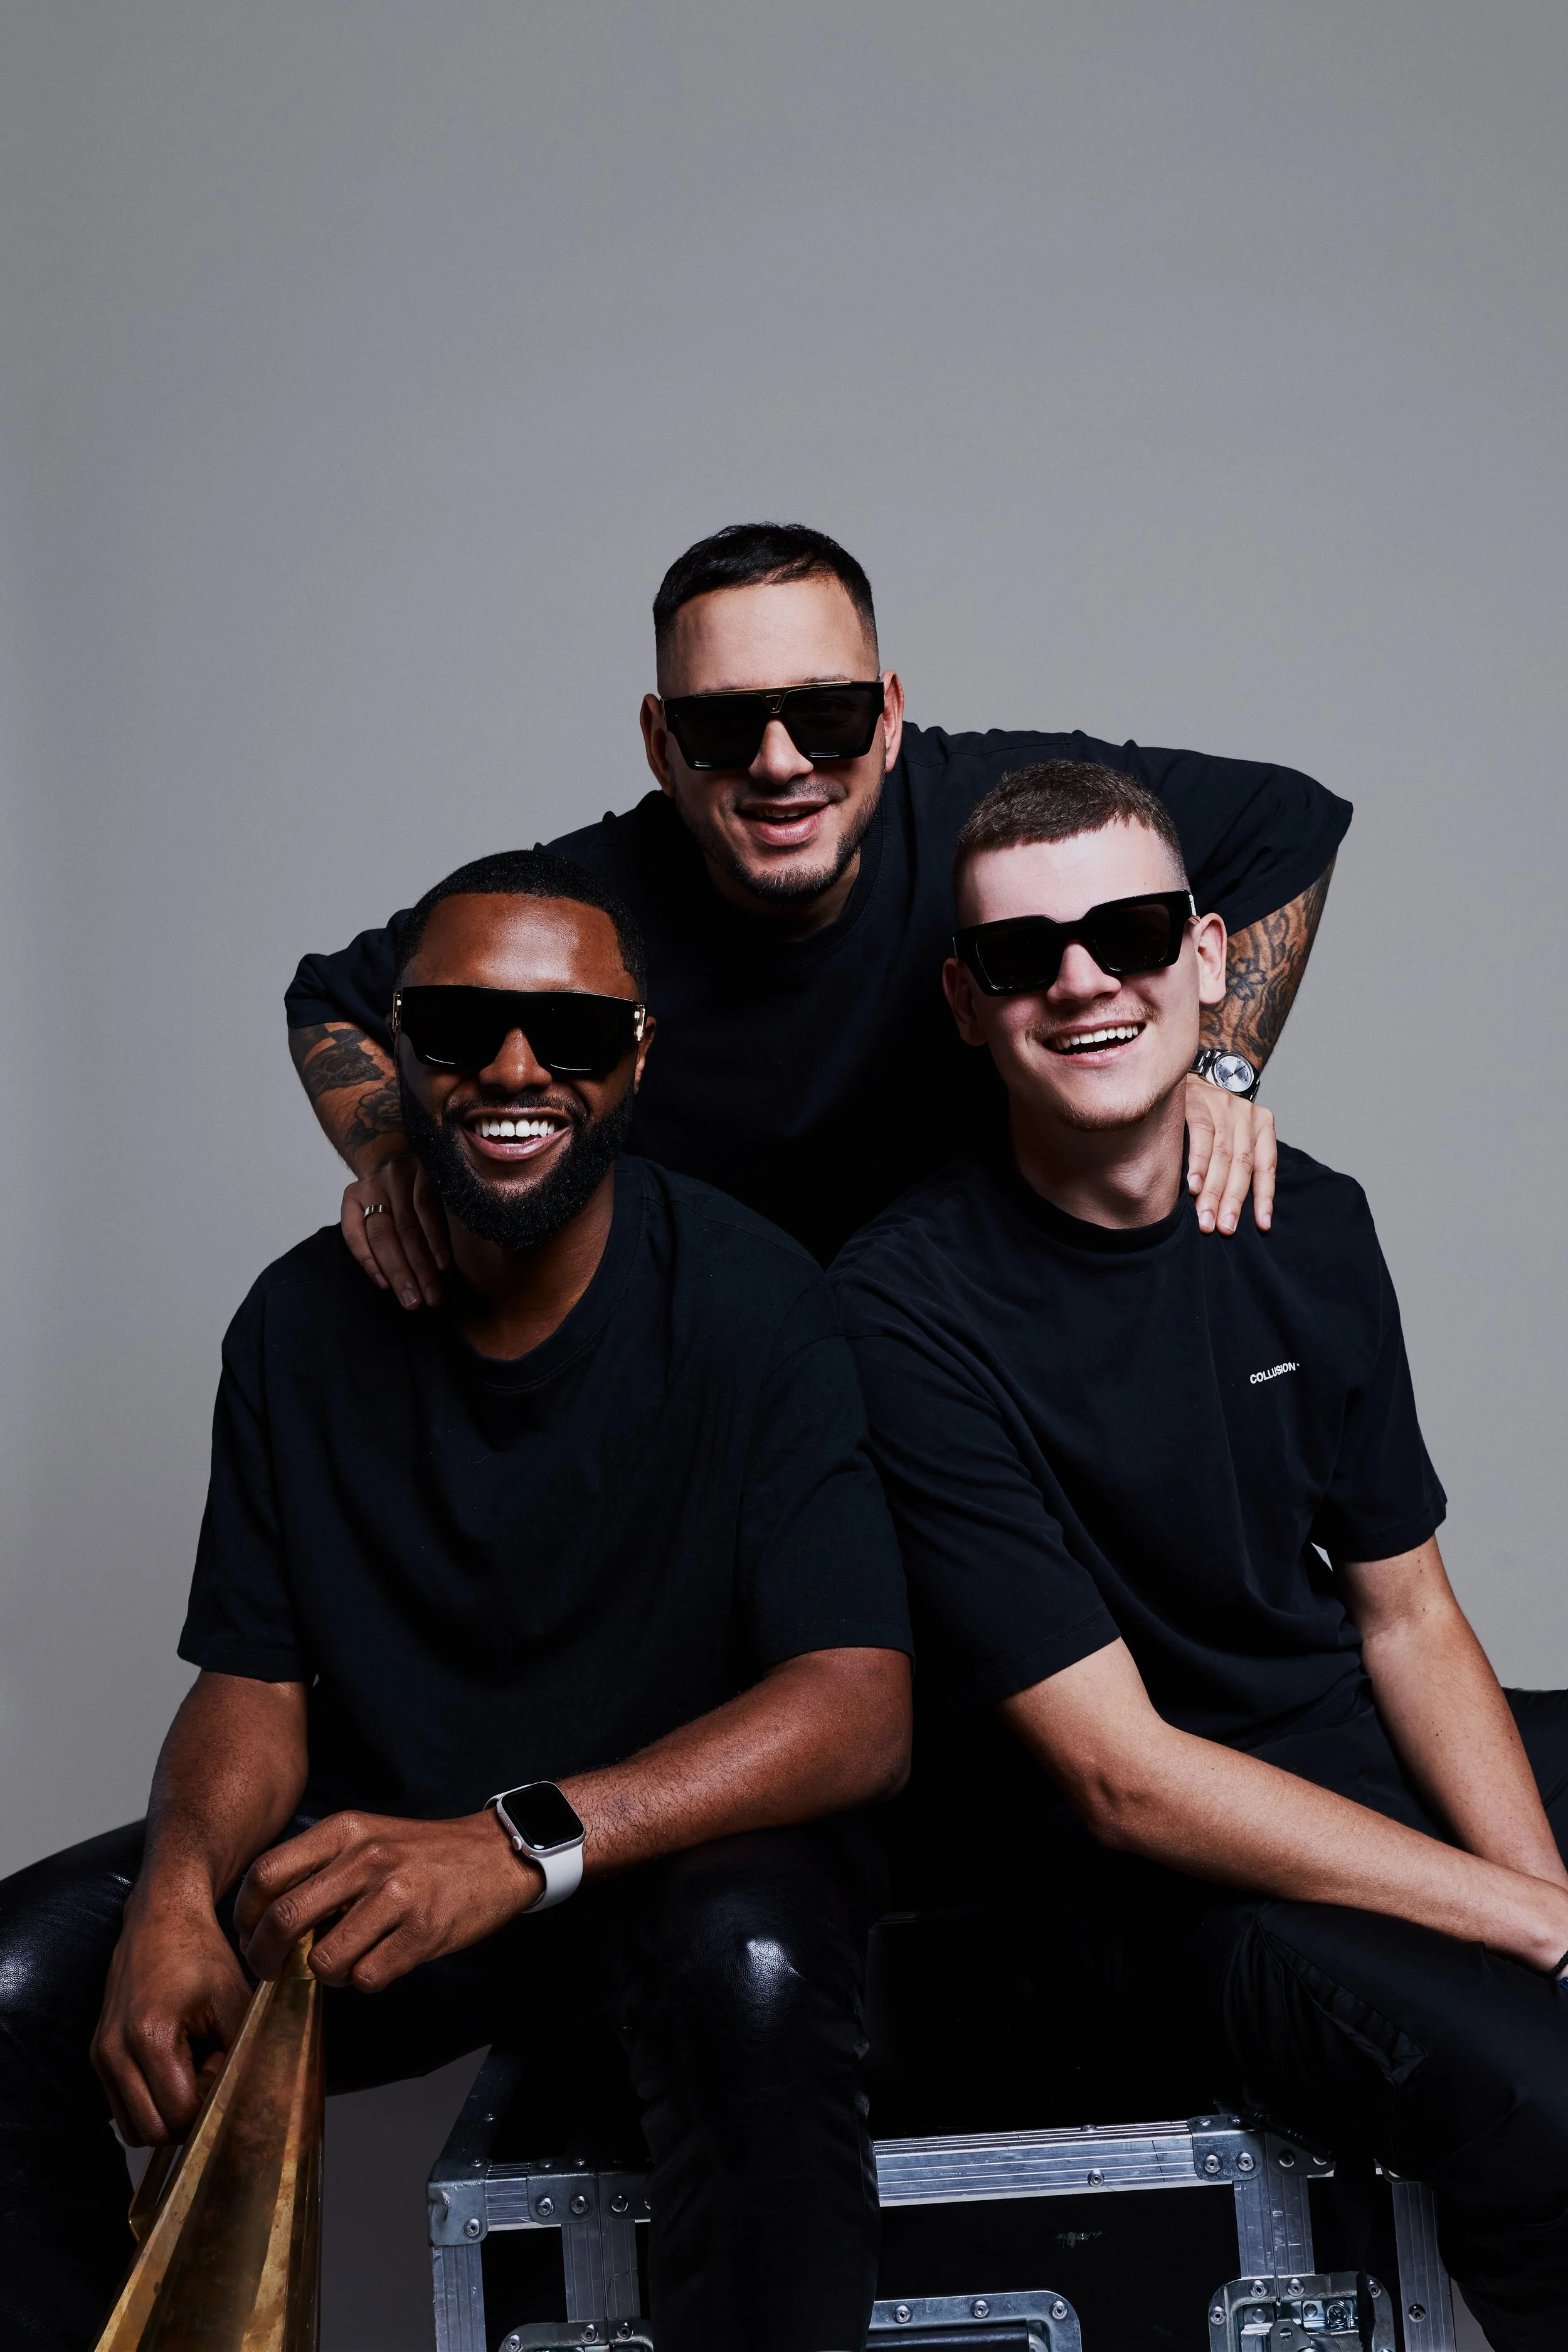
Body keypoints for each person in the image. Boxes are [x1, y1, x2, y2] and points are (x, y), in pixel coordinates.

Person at [0, 850, 914, 2352]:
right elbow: (255, 1678)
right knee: (21, 1980)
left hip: (660, 1869)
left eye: (565, 1033)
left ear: (634, 1060)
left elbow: (857, 1707)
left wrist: (518, 1841)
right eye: (461, 1027)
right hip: (391, 1874)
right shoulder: (298, 1322)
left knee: (748, 1972)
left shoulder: (756, 1301)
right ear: (407, 1055)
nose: (511, 1068)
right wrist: (173, 1899)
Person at [832, 761, 1568, 2351]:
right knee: (1541, 2105)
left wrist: (1531, 1889)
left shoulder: (1313, 1221)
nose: (1083, 980)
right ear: (966, 1005)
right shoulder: (900, 1307)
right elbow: (1120, 1779)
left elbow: (1409, 1619)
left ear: (1208, 954)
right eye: (1024, 958)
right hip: (1133, 1894)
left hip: (1332, 1751)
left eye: (1132, 931)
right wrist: (1519, 1930)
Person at [285, 521, 1350, 1284]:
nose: (780, 763)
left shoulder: (995, 824)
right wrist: (406, 1166)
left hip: (981, 1333)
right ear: (659, 743)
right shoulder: (583, 912)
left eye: (828, 714)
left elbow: (1284, 824)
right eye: (722, 727)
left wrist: (1213, 1070)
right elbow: (333, 1000)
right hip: (713, 1383)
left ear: (889, 715)